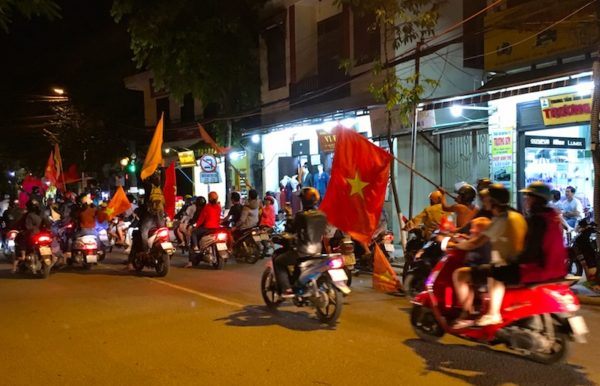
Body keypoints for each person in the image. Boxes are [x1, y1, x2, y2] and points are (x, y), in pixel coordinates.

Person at [451, 184, 527, 328]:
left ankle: (469, 314)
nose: (483, 201)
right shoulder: (516, 215)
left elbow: (476, 242)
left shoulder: (501, 219)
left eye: (486, 198)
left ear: (493, 201)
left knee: (460, 275)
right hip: (517, 263)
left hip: (505, 266)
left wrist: (456, 245)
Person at [273, 187, 328, 297]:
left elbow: (291, 229)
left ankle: (287, 288)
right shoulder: (322, 215)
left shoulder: (301, 215)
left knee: (278, 261)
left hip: (302, 251)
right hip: (317, 250)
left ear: (303, 200)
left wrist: (289, 216)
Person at [12, 199, 51, 273]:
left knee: (20, 239)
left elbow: (26, 226)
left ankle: (22, 256)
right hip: (41, 234)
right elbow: (48, 223)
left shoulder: (28, 215)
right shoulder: (42, 214)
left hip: (33, 235)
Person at [187, 192, 222, 266]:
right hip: (217, 228)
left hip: (208, 228)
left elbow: (201, 219)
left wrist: (196, 227)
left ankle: (196, 247)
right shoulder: (218, 207)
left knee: (194, 233)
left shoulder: (207, 207)